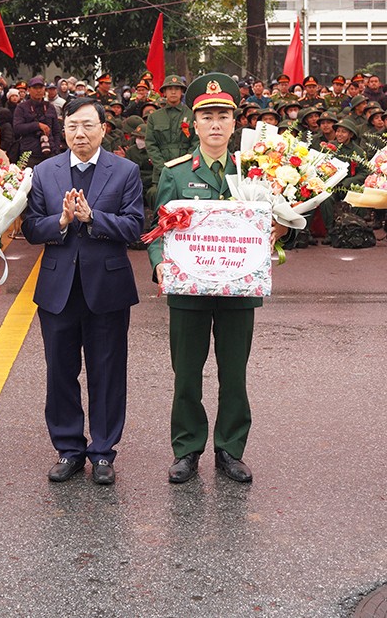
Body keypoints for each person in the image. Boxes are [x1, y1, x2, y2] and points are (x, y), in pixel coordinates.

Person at [148, 73, 274, 485]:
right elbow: (159, 229)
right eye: (207, 116)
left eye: (223, 115)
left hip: (239, 289)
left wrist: (280, 232)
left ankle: (230, 449)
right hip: (188, 291)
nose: (216, 124)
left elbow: (273, 219)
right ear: (194, 124)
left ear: (235, 123)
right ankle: (186, 450)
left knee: (233, 374)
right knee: (186, 373)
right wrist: (159, 264)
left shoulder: (254, 173)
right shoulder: (176, 173)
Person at [22, 97, 145, 486]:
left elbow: (135, 227)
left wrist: (94, 218)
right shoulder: (44, 172)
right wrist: (58, 222)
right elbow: (29, 227)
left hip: (107, 288)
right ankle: (69, 449)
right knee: (60, 372)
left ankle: (104, 452)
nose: (80, 133)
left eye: (88, 125)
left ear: (103, 129)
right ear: (63, 129)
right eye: (73, 125)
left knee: (107, 371)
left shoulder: (125, 171)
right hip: (58, 288)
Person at [144, 75, 193, 170]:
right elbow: (150, 144)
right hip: (161, 170)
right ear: (164, 92)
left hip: (186, 169)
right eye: (170, 89)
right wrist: (162, 167)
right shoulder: (154, 117)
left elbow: (197, 142)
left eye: (177, 88)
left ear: (182, 92)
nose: (173, 92)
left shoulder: (191, 115)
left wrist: (186, 164)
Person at [13, 76, 61, 166]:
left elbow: (56, 131)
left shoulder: (50, 107)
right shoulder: (22, 107)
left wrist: (56, 150)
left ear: (44, 89)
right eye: (35, 88)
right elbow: (17, 128)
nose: (38, 91)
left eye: (41, 88)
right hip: (29, 154)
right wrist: (37, 125)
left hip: (50, 153)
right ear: (29, 90)